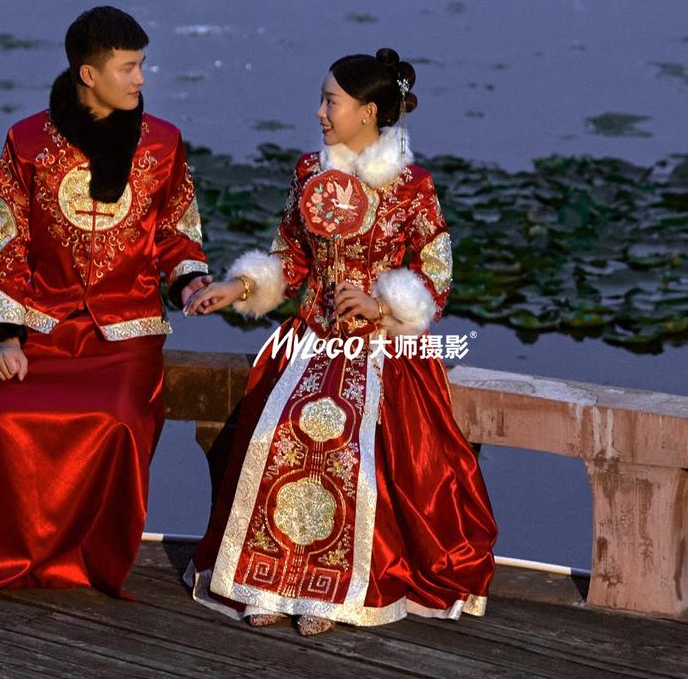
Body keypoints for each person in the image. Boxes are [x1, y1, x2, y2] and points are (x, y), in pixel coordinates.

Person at [183, 48, 496, 635]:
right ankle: (272, 581)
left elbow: (437, 272)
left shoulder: (412, 187)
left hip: (382, 350)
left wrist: (384, 306)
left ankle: (331, 593)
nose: (320, 112)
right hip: (311, 340)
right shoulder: (309, 173)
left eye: (331, 101)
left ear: (367, 111)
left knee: (352, 448)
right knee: (279, 433)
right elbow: (289, 258)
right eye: (323, 100)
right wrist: (238, 286)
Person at [0, 6, 213, 599]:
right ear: (89, 74)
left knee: (119, 422)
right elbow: (6, 244)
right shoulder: (27, 141)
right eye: (128, 67)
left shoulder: (163, 142)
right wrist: (5, 338)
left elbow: (176, 233)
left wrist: (189, 282)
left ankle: (87, 561)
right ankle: (6, 555)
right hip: (45, 328)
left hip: (128, 330)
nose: (140, 79)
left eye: (142, 65)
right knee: (6, 419)